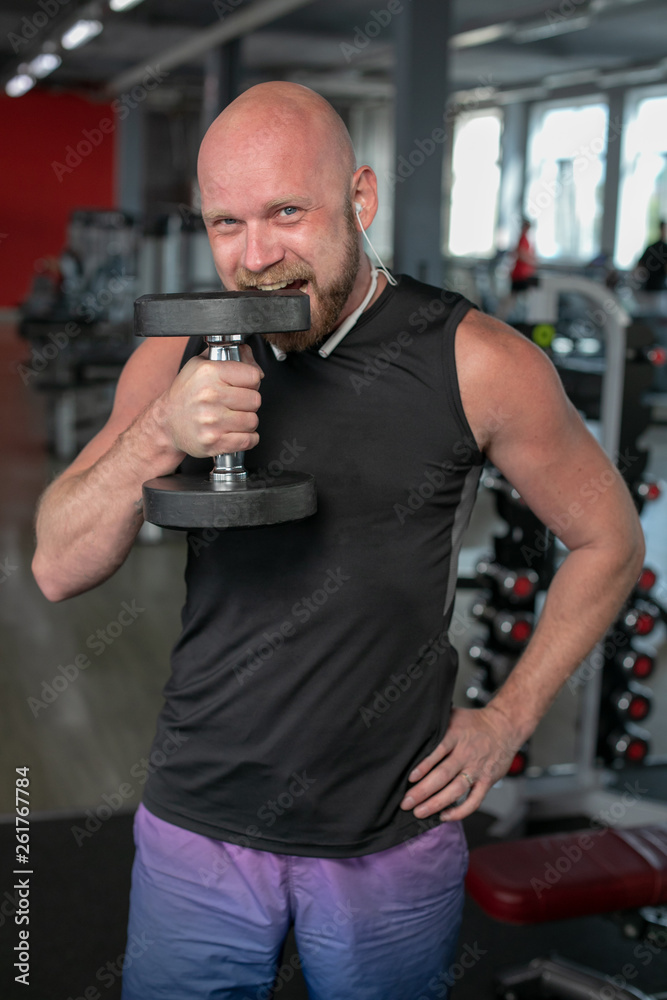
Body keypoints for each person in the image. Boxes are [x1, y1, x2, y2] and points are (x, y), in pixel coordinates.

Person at [32, 82, 644, 1000]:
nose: (256, 258)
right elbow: (55, 564)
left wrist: (507, 721)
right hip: (199, 818)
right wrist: (161, 431)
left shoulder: (477, 363)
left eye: (287, 212)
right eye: (227, 223)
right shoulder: (179, 356)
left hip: (386, 830)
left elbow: (609, 538)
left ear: (360, 197)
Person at [635, 220, 667, 291]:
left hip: (653, 287)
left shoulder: (651, 247)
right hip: (656, 287)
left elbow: (639, 264)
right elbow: (640, 265)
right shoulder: (654, 248)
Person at [509, 217, 538, 292]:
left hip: (524, 273)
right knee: (516, 294)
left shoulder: (525, 238)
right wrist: (531, 262)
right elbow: (521, 255)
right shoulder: (522, 238)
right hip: (520, 273)